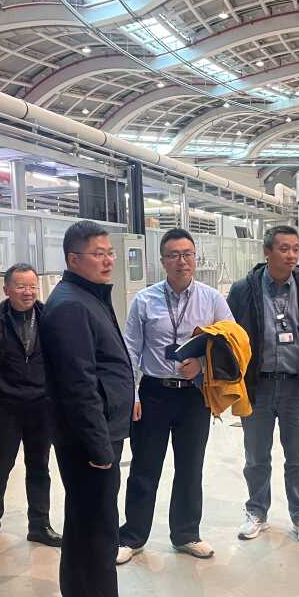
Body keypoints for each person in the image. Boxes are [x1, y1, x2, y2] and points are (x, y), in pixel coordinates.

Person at [40, 220, 168, 597]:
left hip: (97, 434)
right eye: (98, 253)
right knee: (100, 532)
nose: (108, 259)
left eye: (109, 251)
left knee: (82, 522)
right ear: (73, 259)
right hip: (89, 442)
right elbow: (77, 385)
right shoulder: (70, 306)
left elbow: (104, 367)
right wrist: (98, 446)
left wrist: (123, 401)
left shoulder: (87, 297)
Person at [118, 228, 234, 564]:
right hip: (154, 393)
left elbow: (230, 343)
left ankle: (186, 534)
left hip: (194, 396)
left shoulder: (212, 299)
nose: (181, 261)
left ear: (195, 258)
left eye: (187, 254)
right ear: (163, 261)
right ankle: (132, 536)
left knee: (190, 467)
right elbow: (130, 350)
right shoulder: (144, 300)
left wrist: (202, 364)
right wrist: (132, 394)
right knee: (144, 467)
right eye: (173, 255)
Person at [227, 225, 299, 545]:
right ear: (267, 252)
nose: (291, 255)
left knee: (298, 457)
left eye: (295, 249)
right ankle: (256, 513)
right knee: (256, 457)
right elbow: (228, 336)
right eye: (284, 248)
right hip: (257, 387)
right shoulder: (243, 290)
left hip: (294, 388)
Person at [0, 262, 60, 549]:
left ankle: (40, 525)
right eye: (21, 286)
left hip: (40, 407)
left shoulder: (48, 319)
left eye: (32, 286)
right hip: (6, 407)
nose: (28, 292)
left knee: (39, 467)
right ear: (6, 289)